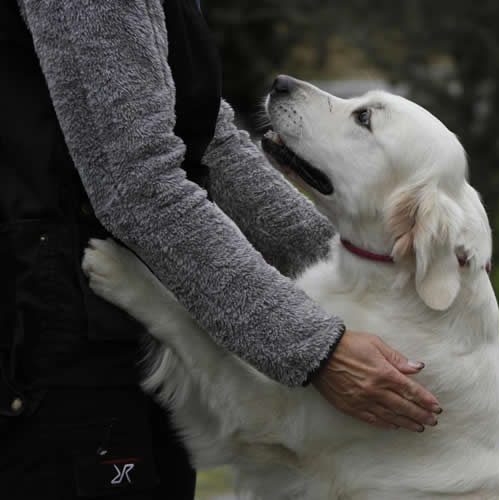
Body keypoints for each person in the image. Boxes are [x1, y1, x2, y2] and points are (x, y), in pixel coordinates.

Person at [0, 1, 441, 498]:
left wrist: (365, 275)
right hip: (52, 349)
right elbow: (139, 187)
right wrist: (318, 349)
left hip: (116, 342)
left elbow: (206, 141)